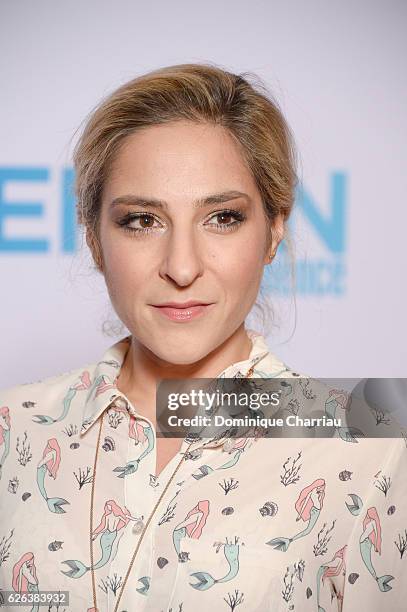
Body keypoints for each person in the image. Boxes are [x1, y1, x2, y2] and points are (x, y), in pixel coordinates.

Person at [0, 63, 405, 612]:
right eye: (142, 220)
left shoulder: (369, 451)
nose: (182, 267)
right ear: (94, 238)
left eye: (222, 217)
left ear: (274, 230)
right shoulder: (11, 428)